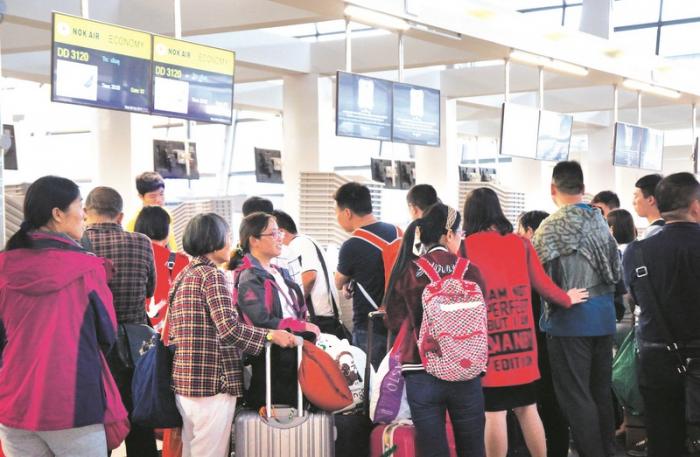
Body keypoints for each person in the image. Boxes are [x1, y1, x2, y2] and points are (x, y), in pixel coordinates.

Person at [462, 189, 588, 457]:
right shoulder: (521, 244)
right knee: (528, 408)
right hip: (521, 343)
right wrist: (567, 299)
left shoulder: (464, 248)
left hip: (487, 344)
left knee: (493, 412)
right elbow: (543, 286)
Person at [0, 176, 115, 456]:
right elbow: (107, 333)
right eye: (79, 205)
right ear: (58, 213)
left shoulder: (3, 266)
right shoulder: (86, 268)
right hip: (72, 401)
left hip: (13, 403)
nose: (84, 214)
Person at [169, 213, 298, 457]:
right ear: (213, 239)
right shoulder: (212, 276)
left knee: (192, 448)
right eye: (227, 237)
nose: (231, 243)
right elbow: (228, 328)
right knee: (210, 452)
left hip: (185, 380)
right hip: (212, 382)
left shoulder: (184, 275)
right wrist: (270, 336)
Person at [532, 161, 621, 457]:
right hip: (604, 317)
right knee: (599, 392)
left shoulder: (549, 227)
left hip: (569, 320)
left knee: (575, 396)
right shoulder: (600, 222)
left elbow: (538, 277)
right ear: (583, 190)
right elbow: (616, 270)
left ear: (553, 189)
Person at [384, 203, 487, 457]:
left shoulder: (408, 271)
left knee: (432, 449)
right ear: (449, 234)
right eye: (460, 233)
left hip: (421, 369)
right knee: (473, 447)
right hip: (466, 369)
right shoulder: (470, 271)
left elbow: (394, 320)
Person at [623, 172, 700, 457]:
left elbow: (635, 298)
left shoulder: (637, 251)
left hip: (657, 357)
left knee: (663, 437)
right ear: (696, 206)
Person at [82, 186, 158, 457]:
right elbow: (150, 290)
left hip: (94, 346)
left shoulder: (78, 245)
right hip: (137, 345)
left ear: (84, 213)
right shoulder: (141, 242)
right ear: (121, 215)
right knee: (139, 414)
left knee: (99, 419)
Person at [228, 212, 319, 407]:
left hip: (291, 353)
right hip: (271, 360)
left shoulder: (278, 271)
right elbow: (261, 320)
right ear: (254, 240)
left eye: (279, 232)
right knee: (280, 417)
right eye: (273, 234)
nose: (280, 238)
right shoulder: (250, 276)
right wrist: (300, 326)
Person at [334, 182, 402, 369]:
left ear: (347, 212)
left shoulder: (352, 244)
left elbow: (339, 282)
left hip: (370, 327)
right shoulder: (399, 233)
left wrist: (349, 279)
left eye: (337, 212)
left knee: (371, 385)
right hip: (401, 323)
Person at [518, 210, 569, 457]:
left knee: (532, 404)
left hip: (533, 343)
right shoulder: (559, 259)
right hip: (556, 339)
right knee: (553, 402)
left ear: (529, 232)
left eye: (519, 230)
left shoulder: (526, 262)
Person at [272, 210, 345, 336]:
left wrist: (293, 308)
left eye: (272, 233)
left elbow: (309, 276)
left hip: (319, 321)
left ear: (282, 232)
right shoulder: (306, 241)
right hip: (323, 320)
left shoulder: (298, 243)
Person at [134, 205, 190, 331]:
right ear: (165, 230)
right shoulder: (179, 261)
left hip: (138, 333)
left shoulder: (133, 257)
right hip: (171, 334)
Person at [125, 171, 177, 250]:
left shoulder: (166, 214)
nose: (159, 200)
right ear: (141, 197)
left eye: (161, 194)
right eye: (152, 196)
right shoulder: (134, 221)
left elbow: (171, 244)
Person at [632, 174, 664, 239]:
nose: (633, 202)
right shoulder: (671, 227)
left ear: (650, 200)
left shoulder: (652, 233)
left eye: (636, 196)